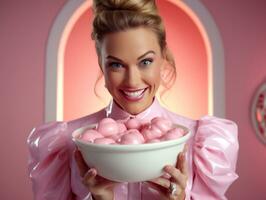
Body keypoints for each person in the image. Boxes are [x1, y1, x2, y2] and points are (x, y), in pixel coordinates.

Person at [27, 0, 239, 199]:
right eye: (116, 65)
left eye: (145, 61)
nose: (132, 81)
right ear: (101, 64)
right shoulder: (65, 144)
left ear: (163, 57)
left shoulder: (201, 143)